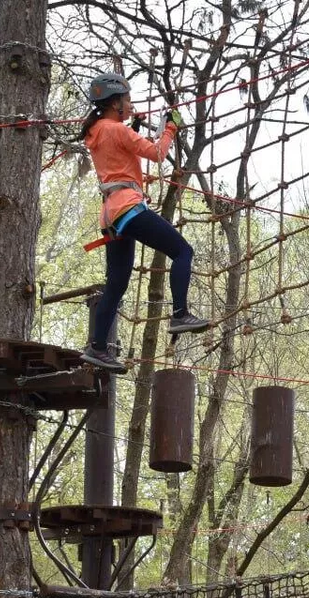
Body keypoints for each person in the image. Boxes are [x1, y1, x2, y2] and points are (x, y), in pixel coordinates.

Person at [77, 72, 210, 373]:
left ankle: (97, 347)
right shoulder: (116, 130)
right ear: (115, 103)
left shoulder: (97, 132)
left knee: (117, 283)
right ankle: (179, 313)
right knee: (182, 251)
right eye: (127, 99)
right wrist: (171, 128)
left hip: (110, 215)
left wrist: (133, 127)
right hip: (128, 208)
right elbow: (157, 153)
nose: (131, 103)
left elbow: (119, 154)